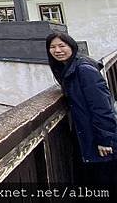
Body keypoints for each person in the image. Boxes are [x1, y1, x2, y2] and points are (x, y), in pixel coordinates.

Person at [46, 32, 117, 186]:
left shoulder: (84, 70)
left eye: (61, 46)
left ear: (72, 46)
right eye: (52, 47)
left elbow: (102, 107)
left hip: (97, 139)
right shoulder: (70, 69)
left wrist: (105, 140)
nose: (57, 50)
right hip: (87, 136)